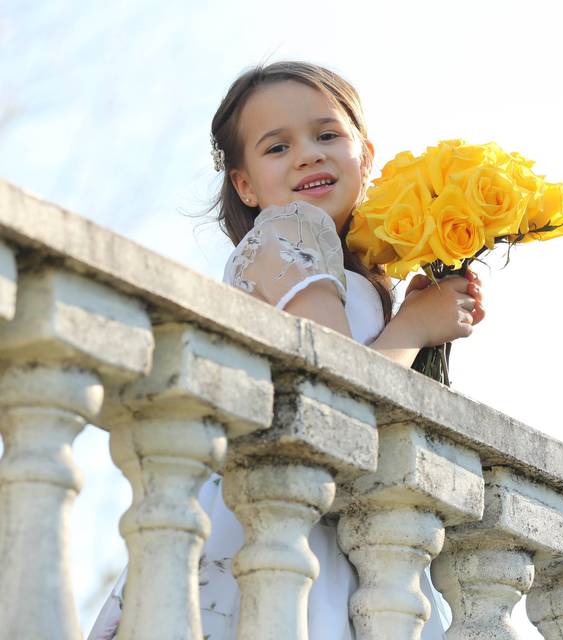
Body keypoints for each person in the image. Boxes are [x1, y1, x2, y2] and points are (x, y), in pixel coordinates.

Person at [87, 61, 484, 640]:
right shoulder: (288, 233)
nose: (308, 154)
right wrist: (415, 330)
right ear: (245, 185)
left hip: (334, 528)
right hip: (276, 519)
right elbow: (336, 388)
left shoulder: (361, 271)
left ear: (365, 155)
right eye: (277, 147)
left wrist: (416, 318)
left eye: (327, 135)